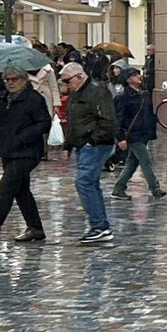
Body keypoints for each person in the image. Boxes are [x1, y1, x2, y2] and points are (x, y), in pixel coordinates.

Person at [0, 67, 52, 245]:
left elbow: (44, 123)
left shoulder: (34, 99)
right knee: (21, 190)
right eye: (7, 79)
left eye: (14, 79)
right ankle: (35, 228)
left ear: (24, 80)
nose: (10, 82)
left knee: (6, 187)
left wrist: (22, 137)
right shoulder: (2, 98)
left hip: (27, 151)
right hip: (7, 150)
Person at [60, 59, 118, 244]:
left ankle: (100, 226)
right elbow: (73, 120)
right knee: (89, 183)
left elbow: (108, 121)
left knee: (84, 182)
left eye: (67, 81)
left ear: (79, 77)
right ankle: (100, 226)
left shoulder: (97, 91)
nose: (65, 85)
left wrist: (92, 141)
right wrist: (68, 145)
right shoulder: (77, 93)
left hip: (95, 144)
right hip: (85, 144)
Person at [110, 65, 165, 200]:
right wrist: (120, 138)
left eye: (138, 74)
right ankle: (155, 189)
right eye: (135, 75)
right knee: (145, 160)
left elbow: (148, 113)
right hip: (132, 134)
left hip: (144, 132)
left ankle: (118, 188)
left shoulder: (145, 94)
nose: (139, 77)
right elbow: (118, 119)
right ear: (128, 80)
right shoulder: (123, 97)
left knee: (132, 163)